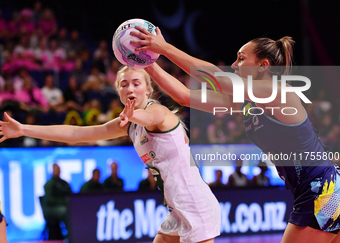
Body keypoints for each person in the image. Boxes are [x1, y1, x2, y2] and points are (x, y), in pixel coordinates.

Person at [130, 26, 340, 242]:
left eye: (241, 59)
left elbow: (216, 78)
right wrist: (147, 63)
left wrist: (164, 48)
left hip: (322, 190)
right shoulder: (248, 101)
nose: (234, 65)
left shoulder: (276, 91)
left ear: (263, 66)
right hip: (322, 189)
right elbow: (184, 96)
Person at [0, 66, 220, 243]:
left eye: (136, 83)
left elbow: (151, 119)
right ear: (118, 91)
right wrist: (23, 129)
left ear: (148, 89)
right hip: (176, 209)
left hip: (193, 203)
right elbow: (77, 133)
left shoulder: (157, 111)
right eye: (124, 84)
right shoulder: (128, 122)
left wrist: (134, 116)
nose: (130, 88)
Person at [42, 163, 72, 240]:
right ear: (52, 171)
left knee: (72, 211)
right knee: (65, 211)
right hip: (51, 209)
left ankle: (76, 233)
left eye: (58, 169)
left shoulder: (64, 183)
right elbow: (49, 199)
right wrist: (63, 202)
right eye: (56, 169)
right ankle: (70, 237)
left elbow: (71, 194)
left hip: (65, 206)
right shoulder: (49, 184)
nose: (57, 171)